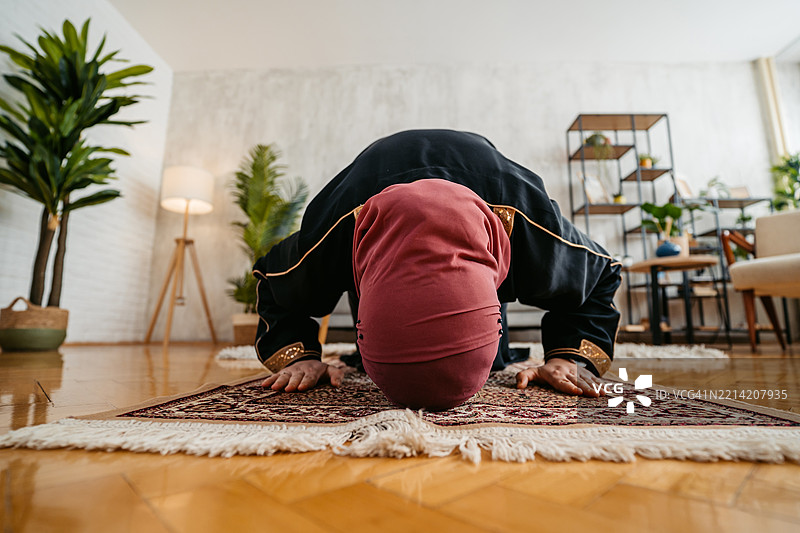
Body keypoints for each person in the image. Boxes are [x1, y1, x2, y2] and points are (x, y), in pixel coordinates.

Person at [254, 130, 621, 410]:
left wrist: (567, 356)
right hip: (374, 193)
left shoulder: (531, 228)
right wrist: (301, 355)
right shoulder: (335, 233)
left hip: (485, 179)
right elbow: (272, 280)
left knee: (485, 361)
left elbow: (603, 272)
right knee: (411, 361)